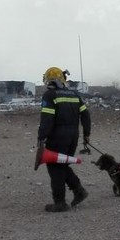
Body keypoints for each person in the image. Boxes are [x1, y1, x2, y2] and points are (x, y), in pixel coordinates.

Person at [37, 67, 91, 212]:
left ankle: (60, 202)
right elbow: (85, 115)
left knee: (55, 167)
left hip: (58, 136)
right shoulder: (74, 94)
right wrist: (86, 134)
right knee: (62, 164)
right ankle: (78, 190)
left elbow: (47, 119)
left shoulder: (49, 95)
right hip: (73, 136)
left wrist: (41, 137)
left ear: (48, 80)